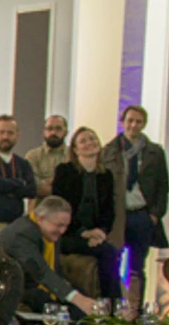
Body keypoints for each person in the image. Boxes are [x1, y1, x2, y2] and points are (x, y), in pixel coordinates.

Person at [104, 105, 169, 308]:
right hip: (117, 215)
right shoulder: (109, 150)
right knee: (111, 261)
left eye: (138, 121)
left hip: (141, 214)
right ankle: (113, 306)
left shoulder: (154, 152)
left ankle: (135, 309)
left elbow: (162, 185)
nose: (133, 125)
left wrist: (155, 215)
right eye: (130, 120)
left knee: (137, 266)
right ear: (123, 122)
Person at [49, 127, 123, 300]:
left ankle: (111, 307)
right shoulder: (64, 171)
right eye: (83, 141)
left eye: (92, 138)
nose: (90, 143)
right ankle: (111, 307)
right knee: (108, 253)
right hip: (67, 234)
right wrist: (83, 232)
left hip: (95, 234)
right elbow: (59, 209)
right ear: (75, 149)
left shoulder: (105, 175)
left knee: (110, 251)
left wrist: (101, 232)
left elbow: (108, 211)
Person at [0, 195, 101, 318]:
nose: (63, 231)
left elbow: (54, 270)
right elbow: (40, 271)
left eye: (66, 226)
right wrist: (76, 298)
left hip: (37, 284)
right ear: (41, 219)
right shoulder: (21, 234)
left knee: (82, 297)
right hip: (15, 287)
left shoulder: (48, 232)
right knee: (64, 304)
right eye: (59, 225)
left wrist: (73, 291)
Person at [25, 115, 71, 197]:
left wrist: (44, 183)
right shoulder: (33, 156)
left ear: (66, 132)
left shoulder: (74, 155)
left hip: (69, 208)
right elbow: (31, 188)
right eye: (50, 129)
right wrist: (63, 187)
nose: (53, 132)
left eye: (58, 129)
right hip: (40, 208)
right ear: (44, 132)